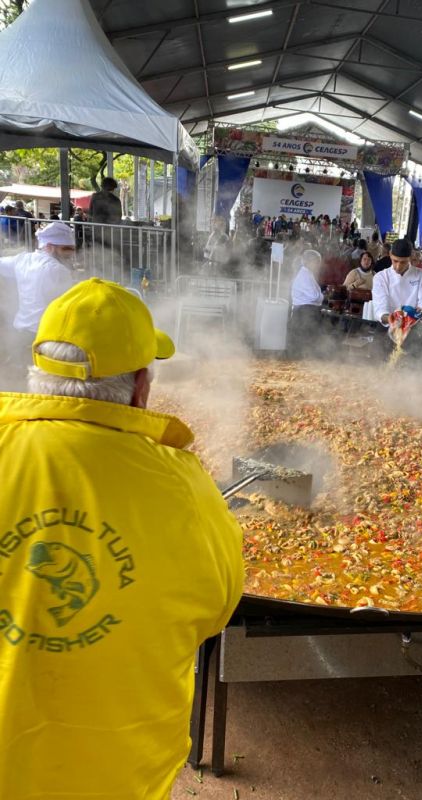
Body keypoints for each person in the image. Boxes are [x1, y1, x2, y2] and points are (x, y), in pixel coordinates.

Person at [0, 278, 244, 800]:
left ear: (38, 372)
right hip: (116, 774)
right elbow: (217, 608)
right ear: (140, 386)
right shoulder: (185, 489)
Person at [0, 221, 75, 370]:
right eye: (65, 249)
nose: (70, 254)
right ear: (49, 247)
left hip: (20, 330)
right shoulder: (57, 270)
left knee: (20, 372)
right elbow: (68, 304)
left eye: (71, 249)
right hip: (44, 334)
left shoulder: (22, 260)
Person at [372, 238, 422, 328]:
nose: (398, 266)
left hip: (413, 327)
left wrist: (421, 314)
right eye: (395, 261)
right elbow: (380, 308)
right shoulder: (381, 277)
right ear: (390, 255)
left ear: (411, 258)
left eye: (403, 262)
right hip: (388, 327)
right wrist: (392, 318)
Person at [289, 249, 324, 357]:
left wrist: (320, 296)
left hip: (306, 311)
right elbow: (315, 296)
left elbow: (316, 296)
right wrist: (322, 296)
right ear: (309, 262)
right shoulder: (305, 275)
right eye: (316, 261)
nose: (318, 264)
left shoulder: (308, 274)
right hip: (304, 312)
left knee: (306, 343)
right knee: (304, 343)